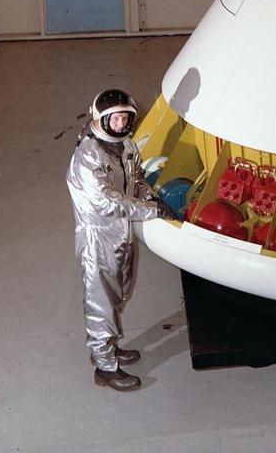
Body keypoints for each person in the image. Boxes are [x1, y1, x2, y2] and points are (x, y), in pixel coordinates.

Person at [66, 88, 171, 391]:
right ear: (101, 119)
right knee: (101, 301)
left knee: (118, 294)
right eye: (115, 119)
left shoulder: (125, 145)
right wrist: (153, 211)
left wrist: (151, 196)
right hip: (98, 236)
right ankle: (105, 367)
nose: (121, 123)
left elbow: (135, 178)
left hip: (121, 232)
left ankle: (108, 347)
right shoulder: (88, 156)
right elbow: (107, 202)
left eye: (125, 118)